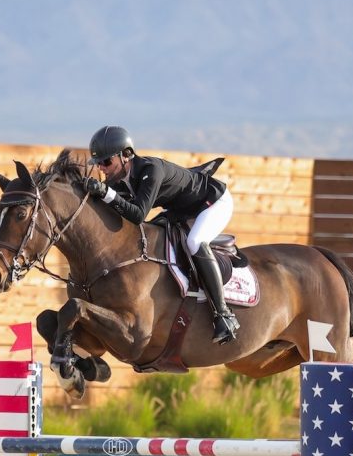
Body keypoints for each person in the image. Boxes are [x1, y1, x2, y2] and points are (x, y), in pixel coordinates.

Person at [83, 125, 240, 345]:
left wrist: (107, 194)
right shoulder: (116, 180)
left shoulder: (151, 170)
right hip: (181, 211)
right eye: (98, 163)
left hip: (212, 202)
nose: (102, 168)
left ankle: (224, 315)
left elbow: (137, 214)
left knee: (195, 241)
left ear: (126, 155)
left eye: (106, 162)